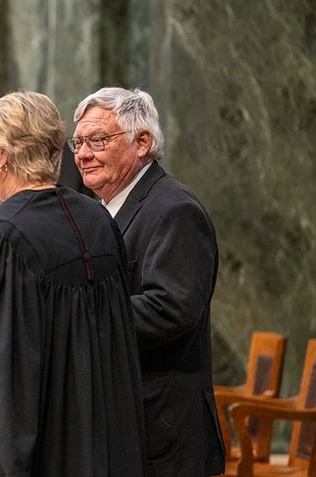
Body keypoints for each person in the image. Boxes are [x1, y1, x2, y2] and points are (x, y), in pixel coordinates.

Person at [0, 91, 145, 476]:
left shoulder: (4, 232)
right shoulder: (96, 218)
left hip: (45, 443)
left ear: (4, 156)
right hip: (102, 438)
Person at [70, 87, 225, 476]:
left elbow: (169, 309)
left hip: (161, 433)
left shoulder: (174, 209)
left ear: (142, 142)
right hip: (121, 425)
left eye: (98, 140)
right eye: (78, 142)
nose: (83, 155)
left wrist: (74, 317)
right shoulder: (99, 210)